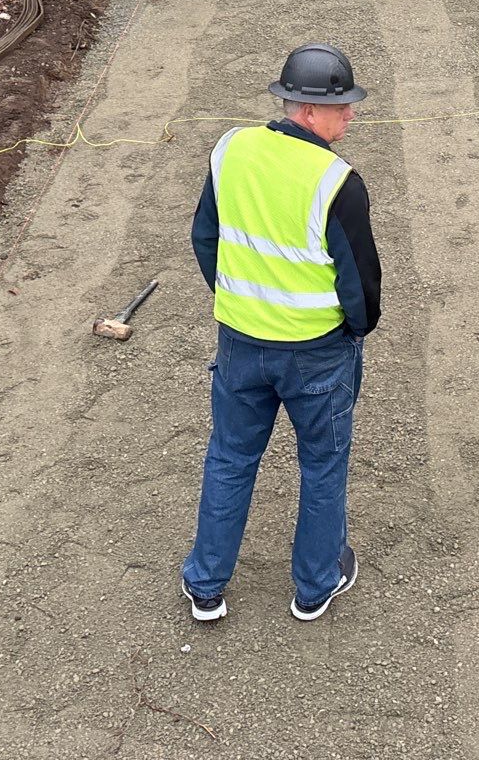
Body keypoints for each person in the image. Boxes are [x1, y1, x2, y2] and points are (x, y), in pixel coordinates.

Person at [181, 43, 381, 623]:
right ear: (309, 111)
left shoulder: (231, 150)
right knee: (323, 464)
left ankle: (207, 585)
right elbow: (361, 282)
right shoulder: (337, 181)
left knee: (230, 456)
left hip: (240, 342)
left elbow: (205, 237)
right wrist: (354, 333)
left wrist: (238, 301)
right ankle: (315, 586)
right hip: (317, 354)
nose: (350, 115)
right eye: (342, 106)